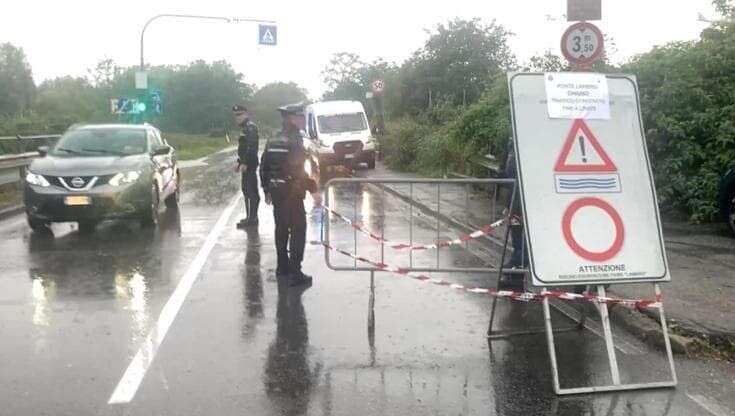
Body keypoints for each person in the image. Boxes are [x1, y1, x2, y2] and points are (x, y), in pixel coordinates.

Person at [260, 103, 322, 286]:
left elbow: (264, 166)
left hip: (277, 192)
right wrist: (314, 191)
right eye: (300, 116)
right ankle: (295, 272)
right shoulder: (295, 141)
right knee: (297, 231)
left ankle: (282, 267)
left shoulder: (273, 139)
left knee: (281, 230)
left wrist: (266, 189)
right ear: (291, 119)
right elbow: (299, 171)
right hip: (292, 193)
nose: (303, 119)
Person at [233, 105, 260, 229]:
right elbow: (243, 149)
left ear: (246, 114)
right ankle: (250, 217)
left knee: (251, 192)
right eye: (236, 115)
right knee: (246, 191)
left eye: (240, 114)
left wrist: (245, 163)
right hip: (246, 164)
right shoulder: (244, 128)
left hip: (250, 165)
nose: (237, 118)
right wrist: (239, 162)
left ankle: (252, 218)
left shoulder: (251, 128)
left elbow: (251, 147)